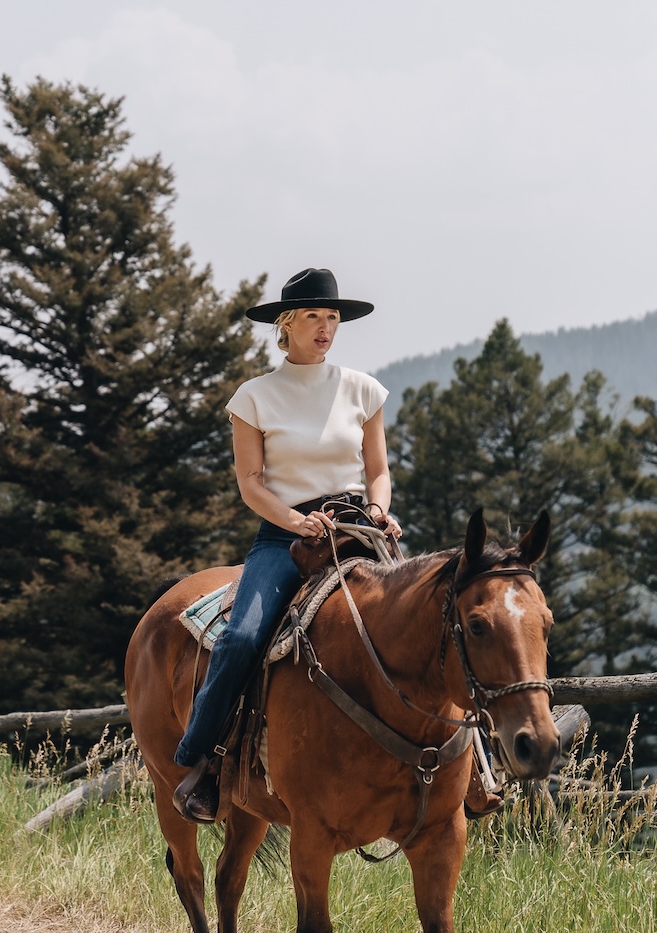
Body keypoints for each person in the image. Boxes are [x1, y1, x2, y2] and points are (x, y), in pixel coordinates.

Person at [172, 267, 402, 822]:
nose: (326, 329)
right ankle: (201, 762)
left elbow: (379, 471)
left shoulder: (363, 389)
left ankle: (476, 768)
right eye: (313, 318)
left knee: (437, 614)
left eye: (332, 318)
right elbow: (251, 485)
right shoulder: (254, 397)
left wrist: (378, 509)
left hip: (357, 529)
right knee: (242, 636)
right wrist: (296, 524)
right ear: (287, 323)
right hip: (284, 535)